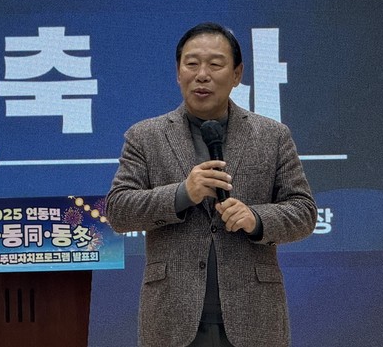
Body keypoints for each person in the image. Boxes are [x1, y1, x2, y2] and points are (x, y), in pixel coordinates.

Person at [106, 22, 316, 347]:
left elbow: (303, 212)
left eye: (215, 64)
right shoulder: (145, 137)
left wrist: (256, 219)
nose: (202, 75)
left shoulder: (272, 136)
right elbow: (119, 211)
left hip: (254, 317)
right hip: (172, 318)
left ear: (237, 74)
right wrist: (182, 194)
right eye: (191, 64)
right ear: (178, 72)